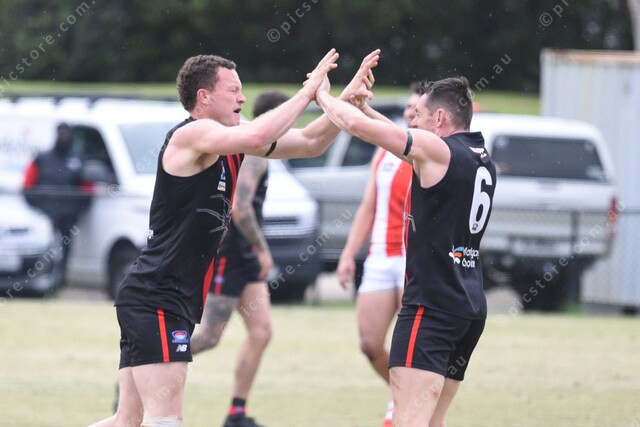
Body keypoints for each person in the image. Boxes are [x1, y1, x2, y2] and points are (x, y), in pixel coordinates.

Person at [91, 48, 378, 427]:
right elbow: (260, 132)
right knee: (166, 420)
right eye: (233, 90)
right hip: (157, 296)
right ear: (204, 97)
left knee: (127, 421)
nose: (243, 98)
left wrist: (344, 102)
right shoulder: (193, 134)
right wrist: (308, 93)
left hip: (162, 295)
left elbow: (311, 142)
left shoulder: (232, 144)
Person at [316, 59, 497, 426]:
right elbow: (400, 142)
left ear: (440, 118)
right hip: (467, 307)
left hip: (431, 308)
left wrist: (320, 93)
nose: (411, 122)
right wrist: (366, 109)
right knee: (431, 421)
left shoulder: (438, 151)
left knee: (410, 421)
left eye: (418, 116)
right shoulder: (477, 156)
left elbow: (356, 128)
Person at [189, 90, 289, 427]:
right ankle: (143, 370)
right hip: (231, 252)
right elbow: (240, 208)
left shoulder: (262, 145)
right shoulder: (256, 150)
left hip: (245, 254)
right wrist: (262, 249)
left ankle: (236, 413)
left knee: (261, 332)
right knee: (209, 336)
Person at [336, 83, 420, 426]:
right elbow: (368, 207)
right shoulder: (385, 151)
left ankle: (399, 408)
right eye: (409, 107)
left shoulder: (431, 152)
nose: (411, 112)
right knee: (370, 344)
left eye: (418, 108)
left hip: (413, 260)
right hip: (380, 257)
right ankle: (402, 395)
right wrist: (348, 254)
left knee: (408, 346)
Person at [22, 123, 92, 279]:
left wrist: (77, 210)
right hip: (44, 214)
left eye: (66, 134)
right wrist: (39, 208)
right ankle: (37, 275)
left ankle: (61, 276)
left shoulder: (78, 160)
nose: (63, 137)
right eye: (61, 133)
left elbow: (88, 188)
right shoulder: (42, 159)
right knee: (44, 246)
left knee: (65, 245)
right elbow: (27, 185)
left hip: (68, 216)